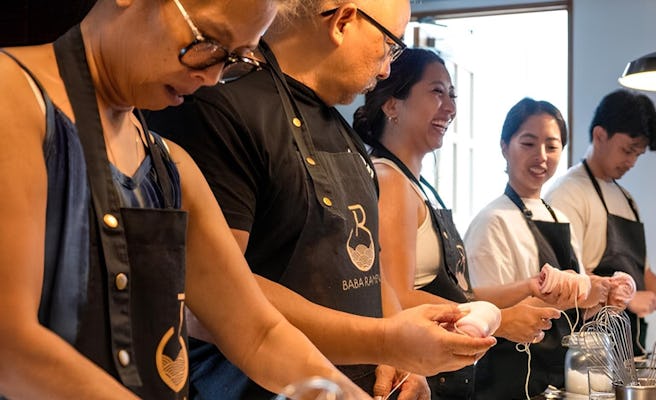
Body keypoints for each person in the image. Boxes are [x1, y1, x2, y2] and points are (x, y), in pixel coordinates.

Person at [0, 0, 369, 398]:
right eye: (208, 42)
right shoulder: (13, 96)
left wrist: (346, 394)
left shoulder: (170, 165)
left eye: (234, 60)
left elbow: (259, 334)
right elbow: (10, 345)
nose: (211, 77)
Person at [145, 1, 496, 399]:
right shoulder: (219, 109)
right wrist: (385, 340)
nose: (386, 69)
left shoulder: (345, 135)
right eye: (389, 45)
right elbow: (215, 301)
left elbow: (368, 267)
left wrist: (401, 359)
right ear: (343, 21)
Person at [353, 48, 589, 399]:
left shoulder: (417, 186)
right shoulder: (390, 180)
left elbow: (459, 294)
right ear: (392, 105)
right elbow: (395, 297)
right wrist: (501, 320)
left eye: (453, 95)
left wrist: (523, 293)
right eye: (437, 92)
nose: (450, 107)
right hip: (414, 377)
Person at [463, 98, 629, 399]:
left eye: (551, 146)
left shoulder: (559, 217)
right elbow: (485, 311)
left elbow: (578, 307)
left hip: (560, 380)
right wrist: (572, 293)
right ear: (504, 146)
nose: (541, 156)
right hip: (509, 383)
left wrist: (604, 295)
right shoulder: (492, 222)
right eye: (528, 143)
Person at [546, 89, 656, 356]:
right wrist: (626, 298)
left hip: (628, 348)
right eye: (627, 150)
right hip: (588, 350)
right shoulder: (567, 193)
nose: (631, 162)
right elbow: (566, 277)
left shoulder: (627, 200)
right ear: (599, 135)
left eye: (638, 154)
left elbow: (643, 271)